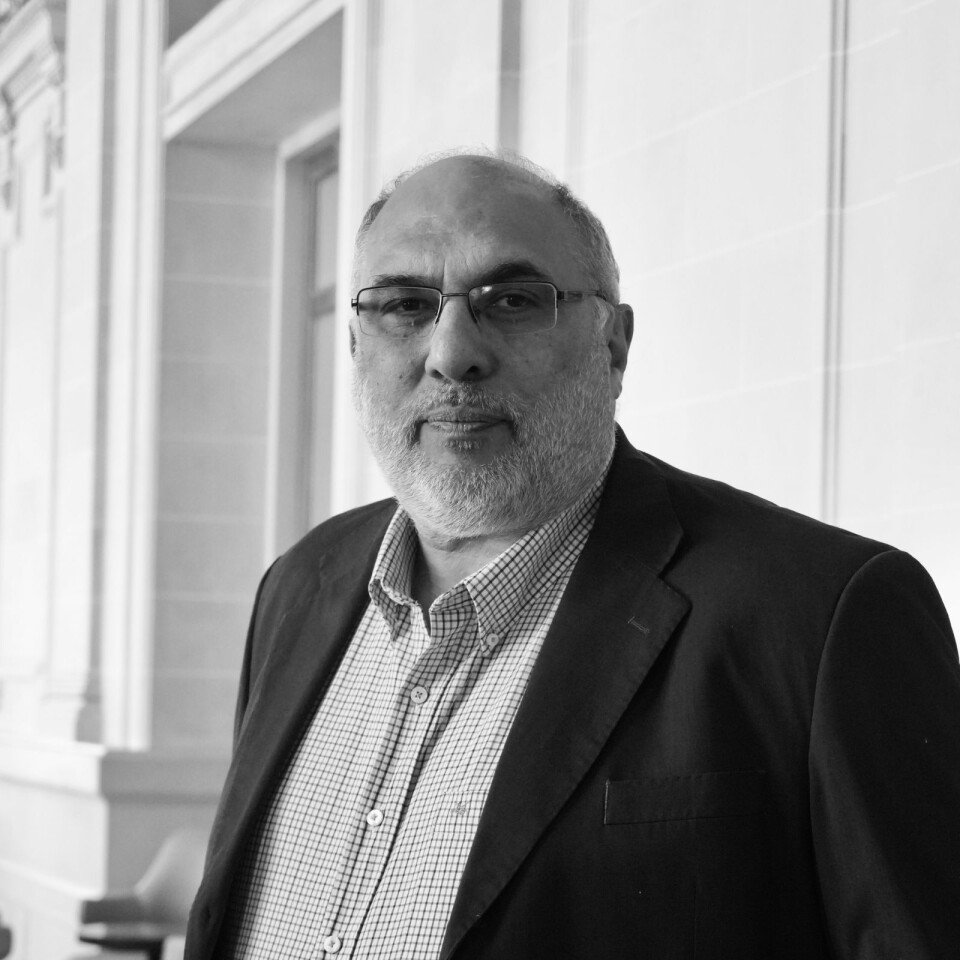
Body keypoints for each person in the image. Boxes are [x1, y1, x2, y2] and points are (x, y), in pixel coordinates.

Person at [185, 152, 960, 960]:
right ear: (354, 346)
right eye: (405, 305)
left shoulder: (822, 614)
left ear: (613, 347)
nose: (452, 353)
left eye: (513, 300)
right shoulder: (297, 586)